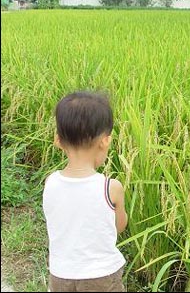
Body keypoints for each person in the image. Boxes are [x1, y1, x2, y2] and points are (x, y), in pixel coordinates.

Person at [42, 91, 128, 292]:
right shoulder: (111, 188)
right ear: (105, 141)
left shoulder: (50, 183)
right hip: (102, 276)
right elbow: (120, 226)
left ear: (58, 140)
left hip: (60, 274)